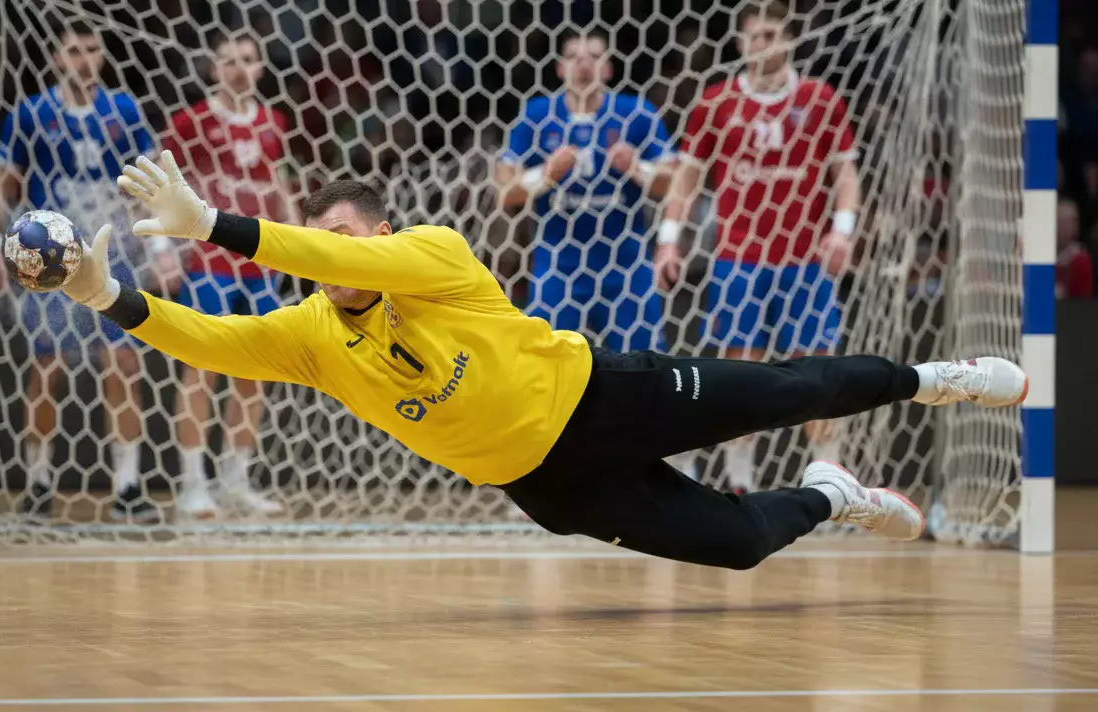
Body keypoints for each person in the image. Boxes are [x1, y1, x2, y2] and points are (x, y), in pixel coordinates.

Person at [61, 152, 1024, 569]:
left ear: (379, 232)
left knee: (792, 387)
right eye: (320, 237)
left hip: (604, 397)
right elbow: (216, 341)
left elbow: (336, 257)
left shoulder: (427, 255)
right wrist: (114, 300)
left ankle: (939, 382)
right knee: (735, 547)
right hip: (543, 483)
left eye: (343, 234)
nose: (332, 253)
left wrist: (220, 226)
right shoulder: (315, 332)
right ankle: (831, 497)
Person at [657, 1, 862, 491]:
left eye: (770, 34)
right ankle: (738, 485)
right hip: (739, 259)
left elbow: (846, 173)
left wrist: (843, 230)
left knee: (821, 376)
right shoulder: (716, 102)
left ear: (789, 40)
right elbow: (686, 179)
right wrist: (668, 241)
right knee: (740, 375)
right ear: (739, 42)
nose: (760, 44)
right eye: (752, 36)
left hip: (805, 259)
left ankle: (830, 484)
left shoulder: (819, 98)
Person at [0, 19, 158, 522]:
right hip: (49, 260)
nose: (84, 59)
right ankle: (39, 485)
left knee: (123, 363)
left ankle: (127, 486)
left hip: (114, 253)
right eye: (74, 50)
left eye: (92, 50)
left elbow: (147, 178)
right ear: (57, 58)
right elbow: (4, 183)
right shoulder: (31, 112)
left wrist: (157, 242)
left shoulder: (122, 109)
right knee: (47, 366)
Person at [158, 34, 291, 518]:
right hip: (209, 261)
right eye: (229, 60)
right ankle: (193, 484)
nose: (239, 68)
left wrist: (295, 246)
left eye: (249, 59)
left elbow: (277, 186)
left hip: (260, 263)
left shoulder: (273, 121)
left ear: (260, 68)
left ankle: (235, 480)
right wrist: (164, 250)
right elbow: (159, 185)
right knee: (202, 367)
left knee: (255, 371)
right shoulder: (191, 121)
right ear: (213, 69)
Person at [495, 29, 674, 353]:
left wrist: (638, 169)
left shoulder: (636, 112)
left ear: (608, 68)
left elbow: (674, 185)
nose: (584, 65)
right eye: (575, 57)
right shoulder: (537, 115)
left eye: (594, 56)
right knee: (546, 361)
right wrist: (546, 175)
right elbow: (505, 193)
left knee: (644, 365)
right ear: (560, 68)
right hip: (558, 263)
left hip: (627, 265)